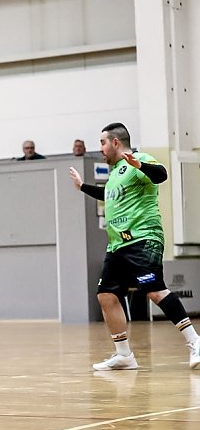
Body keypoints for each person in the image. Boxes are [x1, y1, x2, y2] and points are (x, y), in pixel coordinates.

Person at [69, 122, 200, 371]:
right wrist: (82, 187)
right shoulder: (117, 170)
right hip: (117, 244)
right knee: (106, 295)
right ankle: (124, 355)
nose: (101, 149)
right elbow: (108, 194)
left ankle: (195, 341)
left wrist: (140, 166)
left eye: (102, 143)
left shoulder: (138, 160)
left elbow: (161, 174)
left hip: (142, 238)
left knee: (154, 291)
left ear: (115, 142)